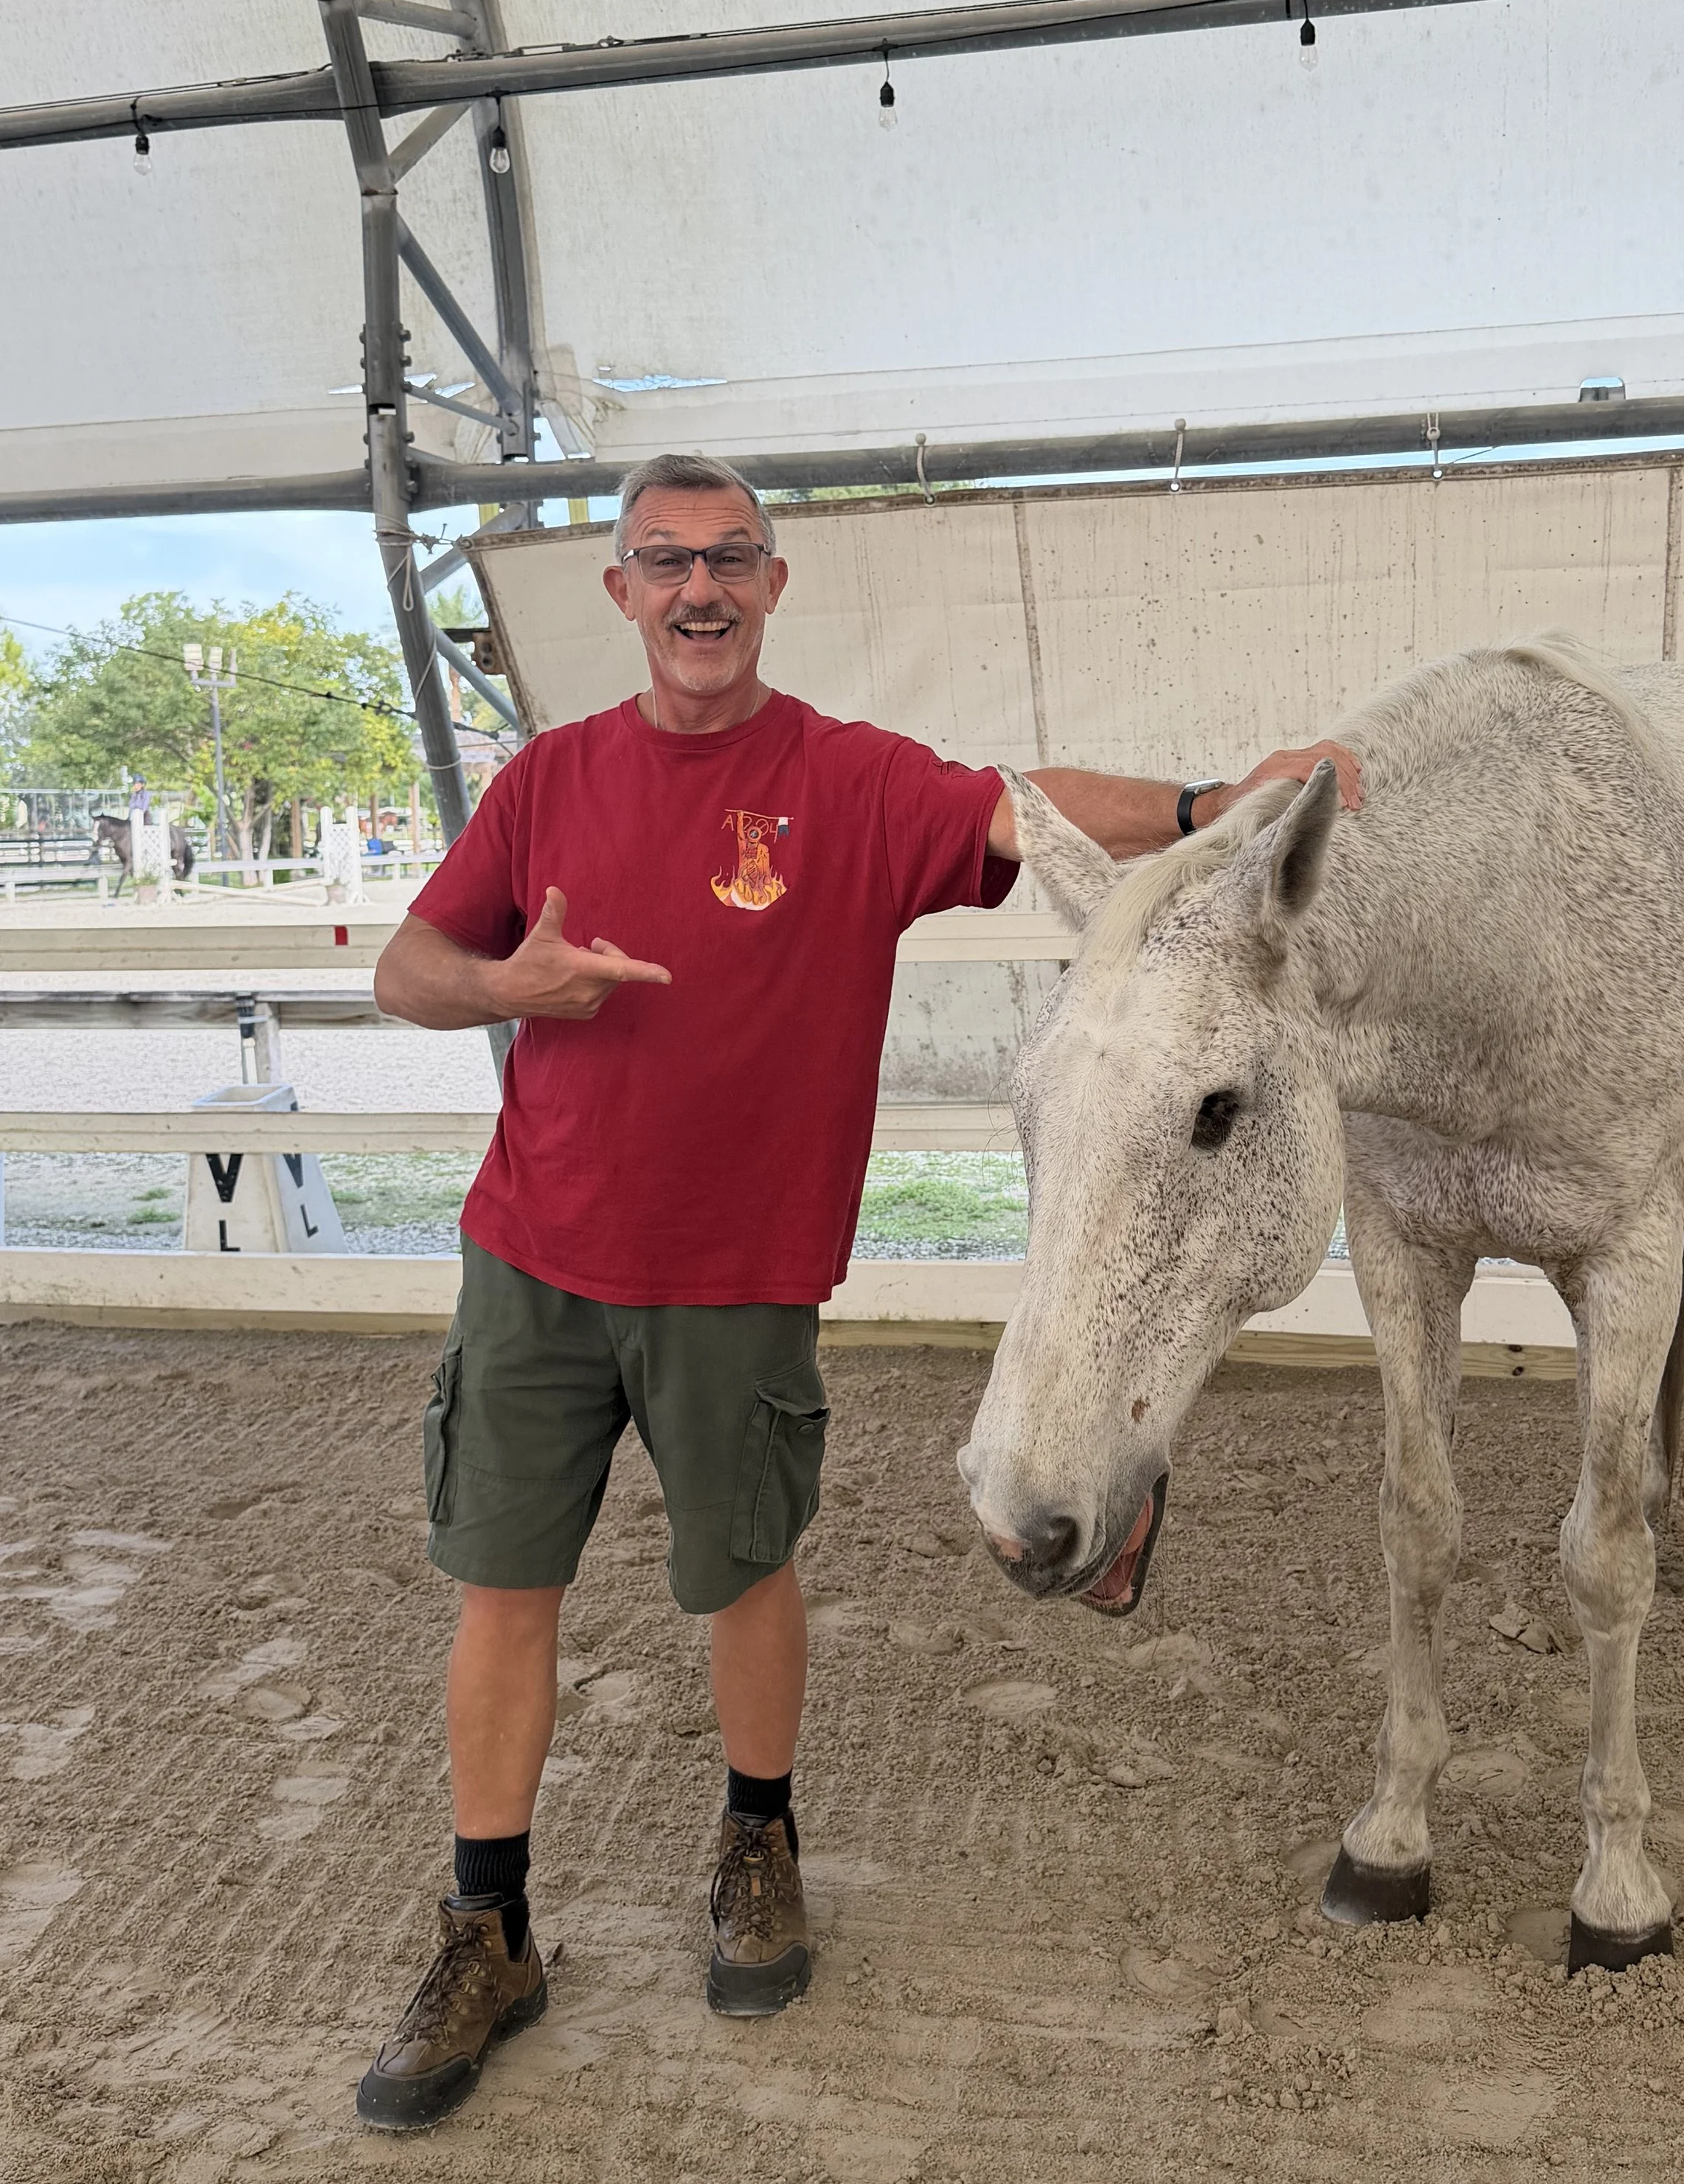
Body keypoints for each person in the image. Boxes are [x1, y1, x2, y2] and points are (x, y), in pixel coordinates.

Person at [357, 451, 1360, 2129]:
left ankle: (758, 1845)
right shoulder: (545, 780)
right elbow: (405, 966)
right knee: (500, 1588)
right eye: (664, 560)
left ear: (770, 584)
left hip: (741, 1279)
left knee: (744, 1575)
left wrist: (1208, 811)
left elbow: (1016, 811)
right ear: (620, 592)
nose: (698, 588)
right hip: (531, 1258)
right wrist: (501, 984)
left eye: (729, 558)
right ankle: (488, 1925)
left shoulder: (842, 781)